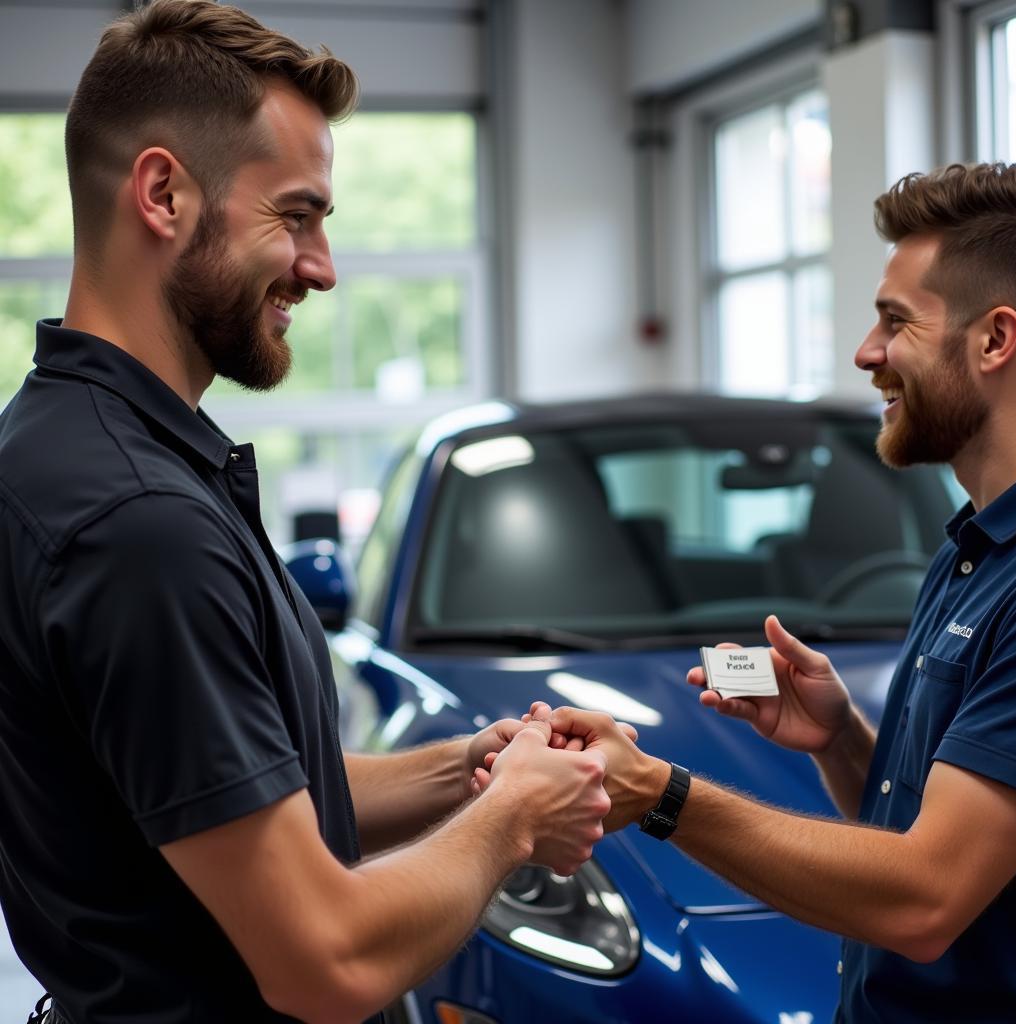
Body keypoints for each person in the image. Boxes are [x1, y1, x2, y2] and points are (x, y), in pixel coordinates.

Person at [0, 3, 611, 1023]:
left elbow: (233, 802)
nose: (322, 266)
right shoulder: (137, 523)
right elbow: (323, 958)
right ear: (162, 194)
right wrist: (512, 818)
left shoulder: (66, 451)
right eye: (296, 215)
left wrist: (464, 773)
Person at [503, 163, 1016, 1022]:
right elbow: (921, 834)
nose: (866, 353)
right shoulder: (972, 549)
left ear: (995, 340)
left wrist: (663, 793)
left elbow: (927, 899)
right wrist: (841, 742)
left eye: (895, 323)